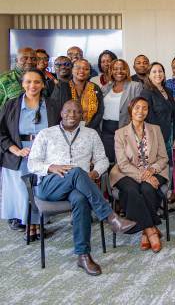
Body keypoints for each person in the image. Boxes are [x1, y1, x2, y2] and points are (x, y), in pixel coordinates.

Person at [27, 100, 136, 276]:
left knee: (80, 198)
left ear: (82, 115)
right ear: (61, 113)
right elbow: (32, 163)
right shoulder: (46, 134)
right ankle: (111, 217)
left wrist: (94, 174)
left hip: (80, 186)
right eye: (68, 111)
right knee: (77, 171)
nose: (72, 114)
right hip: (51, 185)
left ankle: (83, 255)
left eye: (77, 112)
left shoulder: (91, 134)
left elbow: (102, 159)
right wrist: (51, 167)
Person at [0, 70, 60, 240]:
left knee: (39, 190)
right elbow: (1, 132)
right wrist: (16, 150)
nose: (32, 86)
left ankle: (37, 225)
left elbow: (59, 132)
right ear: (22, 84)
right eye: (28, 82)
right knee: (23, 192)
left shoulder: (52, 105)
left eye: (36, 82)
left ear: (42, 84)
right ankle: (28, 225)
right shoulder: (11, 105)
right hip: (19, 154)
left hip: (46, 155)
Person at [111, 96, 169, 253]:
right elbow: (122, 163)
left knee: (147, 189)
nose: (141, 111)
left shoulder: (155, 129)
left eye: (144, 108)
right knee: (130, 190)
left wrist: (152, 171)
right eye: (137, 107)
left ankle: (144, 232)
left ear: (148, 111)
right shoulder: (120, 133)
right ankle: (151, 230)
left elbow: (164, 157)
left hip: (155, 169)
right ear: (131, 110)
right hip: (126, 172)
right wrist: (144, 175)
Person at [100, 59, 143, 163]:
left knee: (124, 161)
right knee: (108, 161)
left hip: (125, 129)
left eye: (122, 69)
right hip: (106, 131)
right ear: (111, 71)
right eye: (115, 69)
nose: (118, 71)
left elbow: (139, 110)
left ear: (127, 70)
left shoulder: (135, 86)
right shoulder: (105, 88)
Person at [51, 59, 104, 131]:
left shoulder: (95, 88)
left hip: (90, 130)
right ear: (72, 70)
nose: (82, 71)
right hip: (66, 131)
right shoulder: (61, 87)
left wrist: (88, 129)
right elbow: (54, 110)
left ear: (89, 72)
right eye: (78, 68)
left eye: (86, 69)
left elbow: (99, 111)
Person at [140, 62, 175, 154]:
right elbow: (148, 118)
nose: (158, 74)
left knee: (167, 164)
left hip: (170, 134)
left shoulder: (168, 91)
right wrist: (158, 137)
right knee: (158, 165)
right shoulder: (146, 93)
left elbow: (173, 115)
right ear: (149, 75)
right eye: (154, 72)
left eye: (160, 71)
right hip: (155, 137)